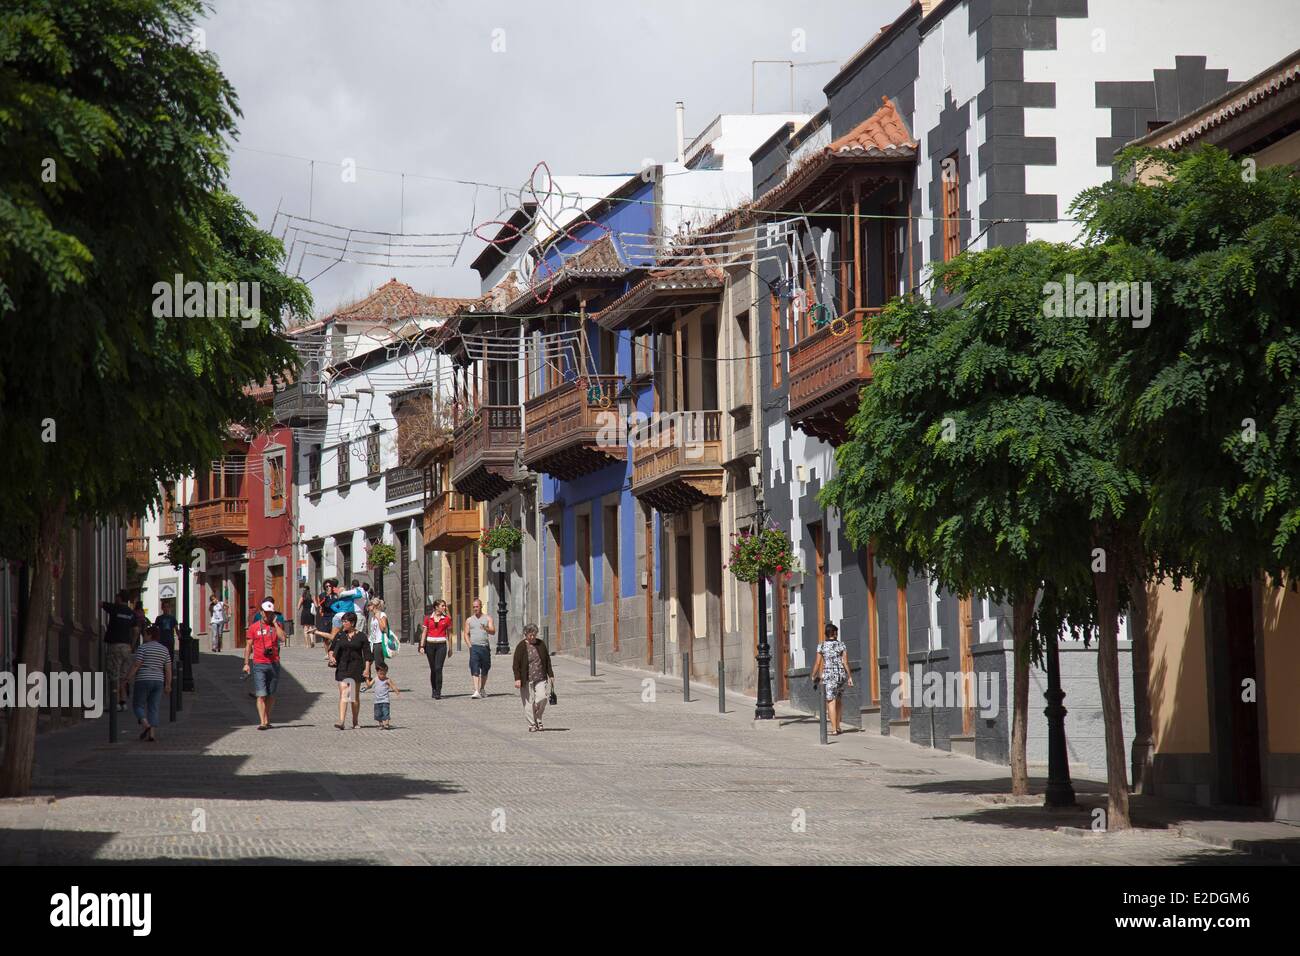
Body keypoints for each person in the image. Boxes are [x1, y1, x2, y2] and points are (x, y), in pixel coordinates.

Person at [125, 624, 172, 742]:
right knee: (153, 707)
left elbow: (137, 664)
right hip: (158, 681)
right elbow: (168, 669)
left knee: (138, 705)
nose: (143, 636)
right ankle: (152, 734)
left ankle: (146, 725)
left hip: (143, 679)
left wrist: (127, 678)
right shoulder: (164, 649)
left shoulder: (143, 648)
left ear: (150, 635)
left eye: (145, 634)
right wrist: (168, 684)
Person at [242, 600, 283, 730]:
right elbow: (248, 646)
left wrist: (276, 624)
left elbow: (282, 638)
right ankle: (262, 721)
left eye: (270, 613)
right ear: (261, 612)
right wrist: (246, 663)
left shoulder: (276, 625)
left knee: (271, 694)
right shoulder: (254, 627)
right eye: (266, 613)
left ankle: (267, 718)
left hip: (274, 663)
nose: (268, 615)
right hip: (259, 663)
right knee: (261, 694)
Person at [811, 622, 853, 736]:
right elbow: (845, 662)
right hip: (840, 676)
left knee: (831, 701)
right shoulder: (842, 645)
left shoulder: (822, 645)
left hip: (829, 676)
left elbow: (818, 662)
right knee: (839, 700)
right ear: (835, 633)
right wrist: (849, 676)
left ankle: (834, 729)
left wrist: (813, 675)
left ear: (826, 633)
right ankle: (838, 726)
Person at [328, 612, 367, 730]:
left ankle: (355, 720)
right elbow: (331, 649)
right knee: (344, 692)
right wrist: (332, 657)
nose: (343, 623)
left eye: (346, 621)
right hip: (343, 667)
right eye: (343, 621)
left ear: (352, 623)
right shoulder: (340, 635)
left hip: (356, 667)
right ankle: (341, 721)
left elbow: (367, 655)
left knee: (354, 697)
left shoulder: (361, 636)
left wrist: (367, 669)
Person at [512, 622, 553, 732]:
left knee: (543, 697)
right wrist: (517, 679)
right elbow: (516, 664)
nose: (532, 637)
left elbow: (547, 660)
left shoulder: (541, 644)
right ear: (526, 634)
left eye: (534, 635)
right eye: (530, 635)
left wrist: (551, 675)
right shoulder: (521, 646)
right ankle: (533, 723)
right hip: (526, 679)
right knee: (528, 703)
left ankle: (538, 716)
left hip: (540, 676)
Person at [100, 592, 137, 711]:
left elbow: (100, 603)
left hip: (115, 645)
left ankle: (114, 703)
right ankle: (123, 702)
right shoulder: (132, 614)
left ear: (119, 598)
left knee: (114, 675)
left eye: (116, 597)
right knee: (123, 676)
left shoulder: (115, 608)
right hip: (127, 647)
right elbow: (136, 630)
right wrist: (132, 644)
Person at [418, 599, 451, 699]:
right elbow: (424, 632)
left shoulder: (446, 619)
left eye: (444, 606)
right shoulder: (428, 618)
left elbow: (449, 634)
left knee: (438, 668)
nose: (444, 607)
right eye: (442, 606)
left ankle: (438, 691)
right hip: (430, 645)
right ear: (436, 607)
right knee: (433, 669)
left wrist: (450, 648)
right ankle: (433, 689)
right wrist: (422, 646)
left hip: (441, 645)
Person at [464, 597, 496, 699]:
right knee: (474, 668)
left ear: (481, 607)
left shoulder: (488, 618)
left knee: (485, 669)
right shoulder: (469, 620)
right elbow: (466, 634)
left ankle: (482, 688)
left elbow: (493, 631)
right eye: (474, 607)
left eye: (477, 606)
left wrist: (486, 628)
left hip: (484, 647)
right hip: (474, 647)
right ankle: (476, 690)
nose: (475, 609)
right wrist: (470, 646)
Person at [363, 597, 391, 690]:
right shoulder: (372, 617)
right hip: (372, 642)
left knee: (379, 664)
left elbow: (383, 628)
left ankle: (383, 682)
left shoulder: (382, 614)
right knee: (367, 662)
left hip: (379, 643)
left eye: (369, 605)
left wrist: (378, 618)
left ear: (374, 605)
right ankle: (369, 683)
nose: (368, 607)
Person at [372, 662, 399, 730]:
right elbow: (369, 685)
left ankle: (386, 723)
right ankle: (381, 724)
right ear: (377, 672)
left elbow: (393, 686)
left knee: (385, 712)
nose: (382, 676)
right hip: (377, 701)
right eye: (380, 674)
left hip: (385, 700)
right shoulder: (375, 679)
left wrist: (396, 691)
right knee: (378, 713)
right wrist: (366, 679)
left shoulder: (387, 680)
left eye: (384, 674)